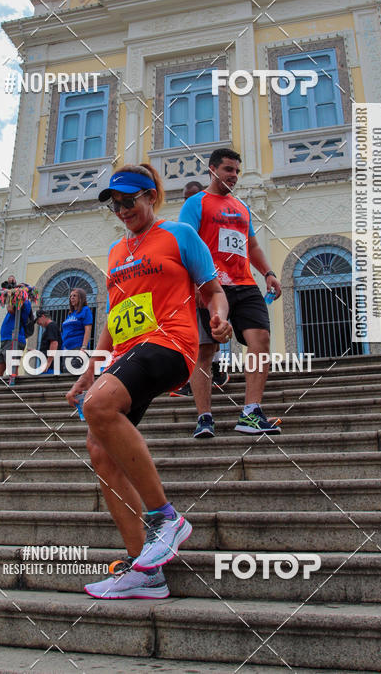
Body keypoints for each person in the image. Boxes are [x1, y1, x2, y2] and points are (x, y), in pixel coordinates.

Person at [66, 163, 231, 599]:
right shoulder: (116, 253)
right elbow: (114, 319)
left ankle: (166, 518)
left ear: (151, 196)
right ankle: (145, 570)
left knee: (101, 409)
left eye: (129, 201)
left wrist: (218, 317)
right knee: (100, 450)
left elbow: (213, 289)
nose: (122, 210)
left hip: (172, 345)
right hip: (127, 354)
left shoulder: (179, 235)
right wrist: (88, 373)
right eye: (115, 205)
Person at [179, 148, 282, 438]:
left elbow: (253, 246)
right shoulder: (196, 203)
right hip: (210, 286)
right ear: (212, 170)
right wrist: (194, 286)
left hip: (245, 284)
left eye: (237, 170)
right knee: (206, 352)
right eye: (228, 170)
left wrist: (269, 273)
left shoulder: (241, 206)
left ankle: (251, 413)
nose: (234, 176)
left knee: (260, 339)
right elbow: (185, 246)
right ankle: (204, 417)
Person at [171, 180, 229, 400]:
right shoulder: (185, 226)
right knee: (200, 336)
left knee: (210, 333)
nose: (189, 202)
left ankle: (217, 373)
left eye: (193, 197)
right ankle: (198, 379)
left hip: (212, 285)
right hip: (193, 288)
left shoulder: (211, 221)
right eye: (186, 198)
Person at [0, 275, 32, 384]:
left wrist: (11, 293)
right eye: (16, 288)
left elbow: (10, 309)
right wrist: (9, 286)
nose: (16, 290)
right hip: (5, 339)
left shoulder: (26, 302)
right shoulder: (15, 300)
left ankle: (15, 392)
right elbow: (4, 299)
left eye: (20, 288)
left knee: (12, 371)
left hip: (14, 339)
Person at [61, 288, 93, 369]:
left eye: (74, 296)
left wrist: (84, 347)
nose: (72, 298)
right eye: (71, 296)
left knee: (74, 375)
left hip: (78, 348)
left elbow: (88, 329)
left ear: (81, 298)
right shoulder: (70, 314)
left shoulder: (85, 310)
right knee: (66, 376)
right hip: (67, 350)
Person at [35, 309, 60, 374]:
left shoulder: (51, 326)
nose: (38, 323)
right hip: (49, 366)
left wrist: (48, 363)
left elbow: (54, 343)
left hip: (51, 367)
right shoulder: (49, 327)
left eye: (38, 320)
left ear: (43, 316)